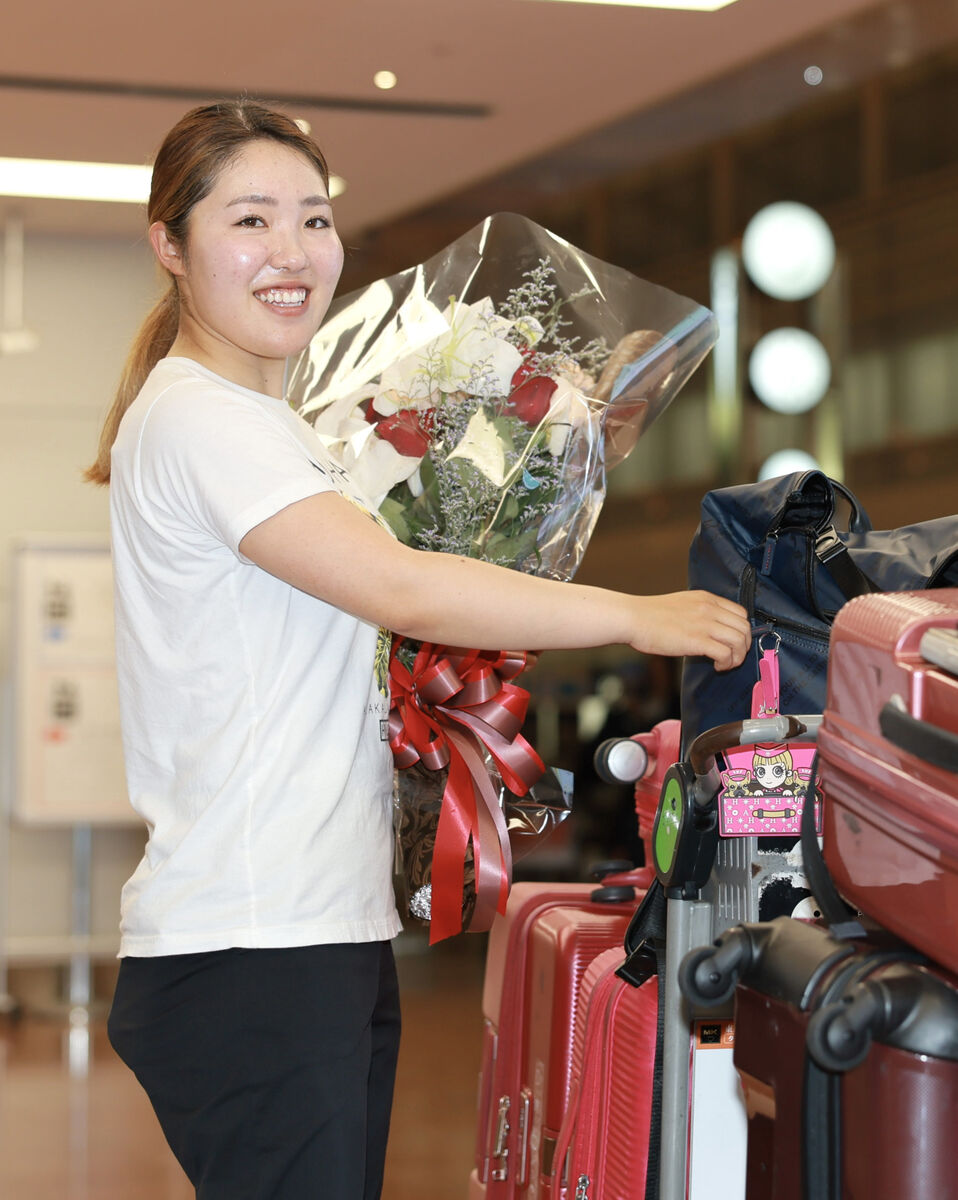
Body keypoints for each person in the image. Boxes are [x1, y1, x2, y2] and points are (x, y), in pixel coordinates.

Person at [87, 100, 750, 1200]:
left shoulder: (274, 428)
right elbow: (394, 579)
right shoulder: (204, 420)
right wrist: (637, 614)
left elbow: (379, 582)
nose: (292, 254)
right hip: (254, 945)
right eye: (250, 220)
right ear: (171, 243)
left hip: (303, 929)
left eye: (313, 218)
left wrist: (564, 432)